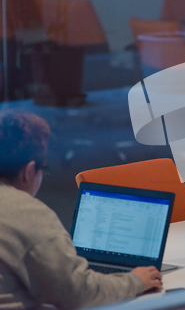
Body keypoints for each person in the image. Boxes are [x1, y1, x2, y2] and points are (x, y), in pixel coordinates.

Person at [0, 111, 163, 310]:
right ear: (29, 171)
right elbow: (77, 294)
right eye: (44, 170)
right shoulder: (26, 214)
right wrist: (135, 281)